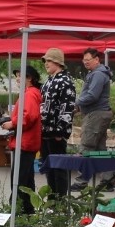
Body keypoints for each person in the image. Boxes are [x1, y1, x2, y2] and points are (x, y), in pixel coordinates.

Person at [70, 48, 114, 192]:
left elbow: (92, 95)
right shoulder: (97, 74)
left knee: (87, 146)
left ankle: (81, 181)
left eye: (88, 60)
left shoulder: (98, 75)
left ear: (97, 59)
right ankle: (108, 181)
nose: (85, 63)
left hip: (96, 115)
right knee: (101, 150)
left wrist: (76, 103)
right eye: (84, 60)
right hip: (100, 113)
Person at [1, 66, 42, 214]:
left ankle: (15, 212)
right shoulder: (30, 93)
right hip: (26, 142)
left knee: (18, 181)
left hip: (24, 143)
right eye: (17, 76)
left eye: (20, 76)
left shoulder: (29, 94)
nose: (17, 78)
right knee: (27, 181)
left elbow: (29, 116)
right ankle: (28, 211)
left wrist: (13, 123)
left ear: (29, 78)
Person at [39, 48, 77, 197]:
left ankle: (60, 200)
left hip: (56, 133)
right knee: (49, 167)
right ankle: (52, 199)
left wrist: (61, 131)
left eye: (48, 61)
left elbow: (67, 107)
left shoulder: (65, 81)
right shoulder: (49, 81)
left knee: (59, 168)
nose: (46, 64)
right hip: (45, 131)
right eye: (45, 61)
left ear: (57, 62)